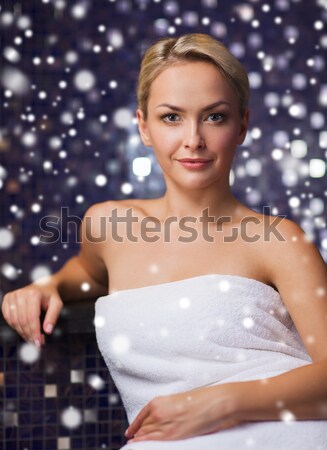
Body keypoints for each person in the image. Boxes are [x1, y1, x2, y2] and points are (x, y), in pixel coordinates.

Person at [2, 33, 327, 450]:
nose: (193, 138)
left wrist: (220, 403)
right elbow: (87, 271)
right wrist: (49, 286)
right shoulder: (109, 224)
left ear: (242, 125)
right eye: (172, 117)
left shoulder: (278, 239)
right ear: (144, 126)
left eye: (214, 117)